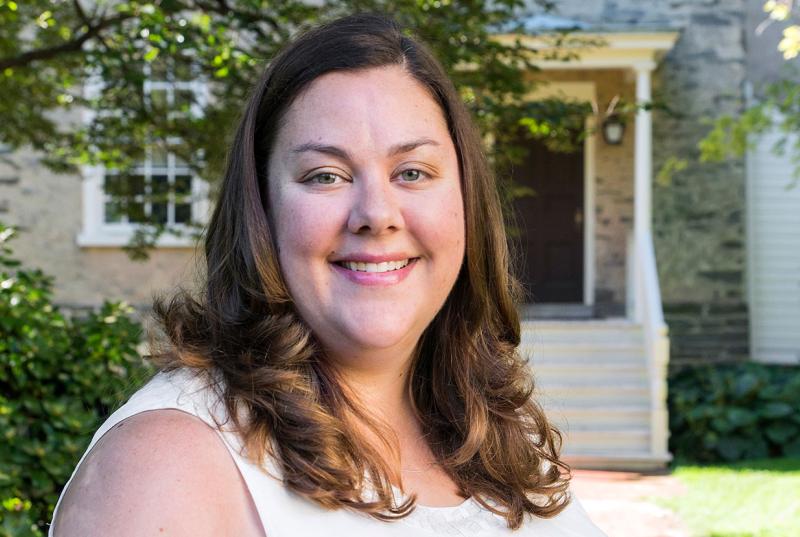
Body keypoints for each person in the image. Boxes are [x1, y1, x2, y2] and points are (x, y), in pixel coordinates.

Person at [49, 12, 608, 536]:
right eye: (325, 176)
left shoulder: (499, 438)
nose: (377, 215)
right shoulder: (168, 466)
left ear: (465, 201)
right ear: (261, 209)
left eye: (412, 171)